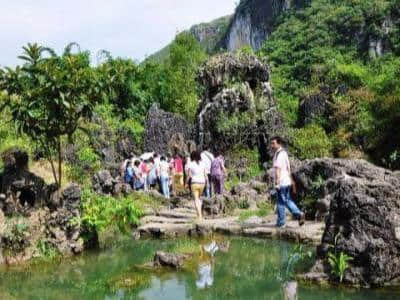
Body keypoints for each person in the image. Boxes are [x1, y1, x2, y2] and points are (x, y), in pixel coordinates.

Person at [271, 136, 305, 228]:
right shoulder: (283, 153)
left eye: (273, 143)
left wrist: (277, 183)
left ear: (279, 143)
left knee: (280, 203)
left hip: (282, 182)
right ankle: (299, 214)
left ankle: (281, 223)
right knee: (287, 200)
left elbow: (278, 169)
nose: (272, 145)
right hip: (286, 181)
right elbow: (288, 169)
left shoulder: (280, 154)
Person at [186, 150, 207, 220]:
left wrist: (186, 183)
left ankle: (199, 216)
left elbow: (189, 175)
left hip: (194, 182)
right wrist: (208, 182)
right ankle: (200, 215)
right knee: (199, 198)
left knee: (196, 199)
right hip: (202, 182)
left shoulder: (190, 164)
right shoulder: (203, 164)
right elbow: (205, 174)